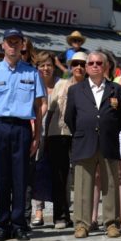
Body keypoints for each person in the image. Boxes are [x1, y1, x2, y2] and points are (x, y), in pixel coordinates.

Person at [0, 29, 46, 241]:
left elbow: (38, 106)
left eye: (17, 42)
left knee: (21, 177)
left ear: (22, 45)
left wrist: (36, 136)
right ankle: (2, 224)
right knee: (2, 176)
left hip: (23, 128)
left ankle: (19, 224)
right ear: (3, 45)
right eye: (9, 42)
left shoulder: (32, 73)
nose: (13, 46)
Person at [65, 50, 121, 238]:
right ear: (86, 67)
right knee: (83, 185)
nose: (94, 66)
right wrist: (83, 131)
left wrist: (108, 130)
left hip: (108, 141)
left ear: (106, 66)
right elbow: (70, 118)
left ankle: (111, 223)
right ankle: (82, 225)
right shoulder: (75, 90)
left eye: (99, 63)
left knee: (110, 184)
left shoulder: (117, 90)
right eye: (91, 63)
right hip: (84, 142)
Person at [42, 50, 84, 228]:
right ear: (69, 66)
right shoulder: (62, 84)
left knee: (81, 176)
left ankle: (83, 216)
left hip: (81, 136)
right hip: (58, 134)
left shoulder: (91, 86)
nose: (79, 67)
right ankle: (60, 215)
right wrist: (44, 137)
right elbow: (51, 111)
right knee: (59, 177)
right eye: (75, 64)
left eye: (83, 64)